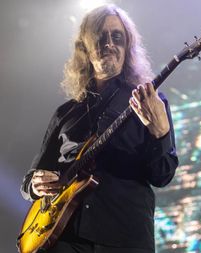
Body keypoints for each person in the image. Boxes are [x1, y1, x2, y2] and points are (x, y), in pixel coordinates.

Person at [20, 4, 178, 253]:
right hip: (63, 235)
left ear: (128, 47)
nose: (109, 43)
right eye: (100, 36)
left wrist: (161, 134)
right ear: (85, 48)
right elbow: (32, 176)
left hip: (123, 237)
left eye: (118, 37)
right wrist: (34, 184)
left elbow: (162, 175)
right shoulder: (65, 113)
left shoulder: (150, 101)